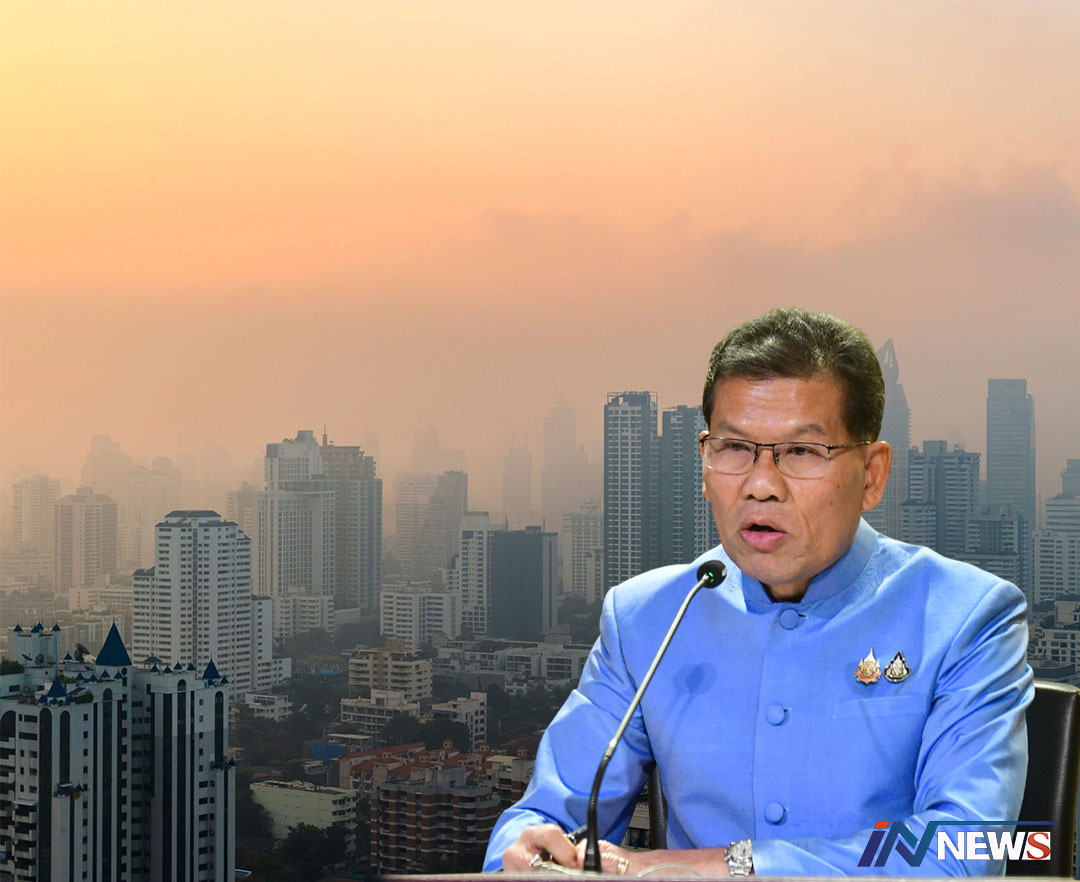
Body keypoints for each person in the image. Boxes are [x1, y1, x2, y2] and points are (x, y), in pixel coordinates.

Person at [484, 308, 1033, 876]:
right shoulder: (647, 618)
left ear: (872, 474)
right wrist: (527, 851)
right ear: (704, 463)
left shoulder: (966, 616)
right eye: (734, 448)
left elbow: (964, 852)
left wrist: (721, 867)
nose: (762, 486)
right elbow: (546, 816)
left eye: (802, 452)